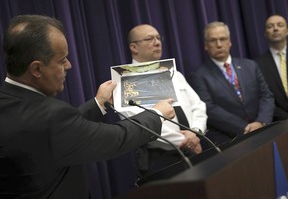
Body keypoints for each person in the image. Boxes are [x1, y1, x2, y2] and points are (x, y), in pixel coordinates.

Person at [0, 15, 176, 199]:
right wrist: (157, 114)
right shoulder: (51, 116)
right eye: (61, 60)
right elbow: (116, 139)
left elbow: (62, 131)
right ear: (36, 69)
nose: (69, 65)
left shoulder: (9, 102)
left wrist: (99, 103)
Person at [123, 24, 206, 178]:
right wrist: (186, 141)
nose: (157, 42)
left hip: (194, 148)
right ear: (134, 47)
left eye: (158, 38)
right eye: (149, 39)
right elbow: (139, 124)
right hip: (162, 158)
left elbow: (198, 106)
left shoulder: (174, 73)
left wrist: (196, 132)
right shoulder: (127, 82)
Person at [189, 21, 274, 147]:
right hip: (230, 139)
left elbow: (266, 95)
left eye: (223, 39)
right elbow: (209, 108)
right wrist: (246, 128)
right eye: (213, 40)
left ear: (229, 42)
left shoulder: (250, 65)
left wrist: (261, 122)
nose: (219, 44)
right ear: (206, 45)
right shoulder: (199, 75)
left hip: (264, 131)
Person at [255, 15, 288, 121]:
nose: (275, 28)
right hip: (281, 123)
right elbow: (264, 97)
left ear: (287, 30)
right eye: (270, 26)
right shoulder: (257, 64)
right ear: (265, 33)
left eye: (280, 25)